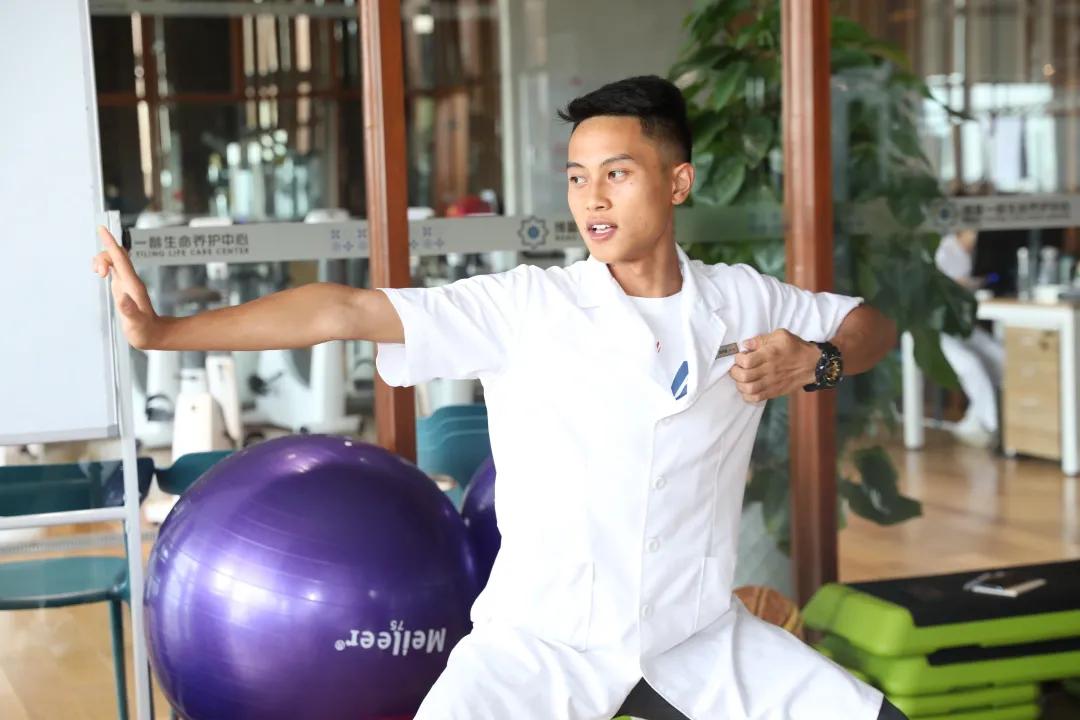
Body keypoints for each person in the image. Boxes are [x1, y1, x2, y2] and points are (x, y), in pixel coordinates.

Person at [93, 76, 905, 720]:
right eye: (578, 178)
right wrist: (164, 332)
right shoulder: (527, 307)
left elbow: (870, 325)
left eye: (617, 175)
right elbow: (341, 309)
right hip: (540, 646)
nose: (592, 199)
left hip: (697, 637)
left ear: (678, 182)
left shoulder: (744, 299)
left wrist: (819, 362)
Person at [934, 228, 1004, 448]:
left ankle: (979, 420)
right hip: (937, 329)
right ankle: (992, 426)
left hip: (964, 326)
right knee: (972, 366)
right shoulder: (943, 250)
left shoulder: (971, 254)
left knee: (1001, 356)